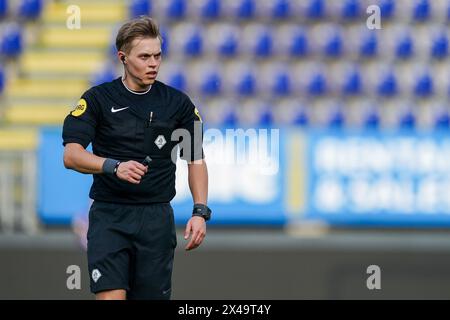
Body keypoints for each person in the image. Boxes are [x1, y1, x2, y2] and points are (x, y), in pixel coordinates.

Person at [62, 16, 211, 300]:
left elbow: (195, 158)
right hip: (109, 216)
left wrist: (200, 211)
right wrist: (113, 166)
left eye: (157, 56)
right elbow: (72, 155)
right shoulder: (97, 100)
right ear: (123, 57)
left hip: (156, 219)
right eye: (144, 56)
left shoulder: (178, 104)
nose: (153, 63)